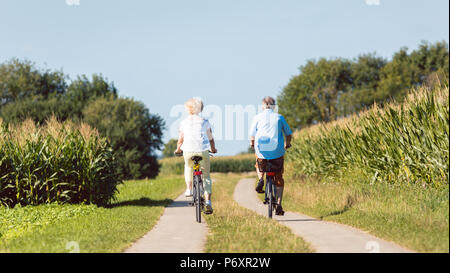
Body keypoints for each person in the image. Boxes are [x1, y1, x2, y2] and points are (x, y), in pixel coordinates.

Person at [249, 96, 292, 216]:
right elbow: (288, 134)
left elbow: (252, 135)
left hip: (262, 152)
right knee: (279, 177)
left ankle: (261, 179)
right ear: (274, 106)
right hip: (277, 152)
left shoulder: (257, 117)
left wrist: (252, 144)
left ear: (262, 106)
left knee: (258, 161)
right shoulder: (279, 117)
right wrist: (287, 144)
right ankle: (278, 204)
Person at [175, 98, 217, 214]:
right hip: (203, 150)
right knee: (206, 176)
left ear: (188, 109)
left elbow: (180, 140)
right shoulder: (205, 122)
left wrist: (178, 149)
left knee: (188, 167)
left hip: (188, 151)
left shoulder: (183, 122)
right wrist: (213, 149)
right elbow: (211, 139)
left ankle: (189, 189)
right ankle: (208, 201)